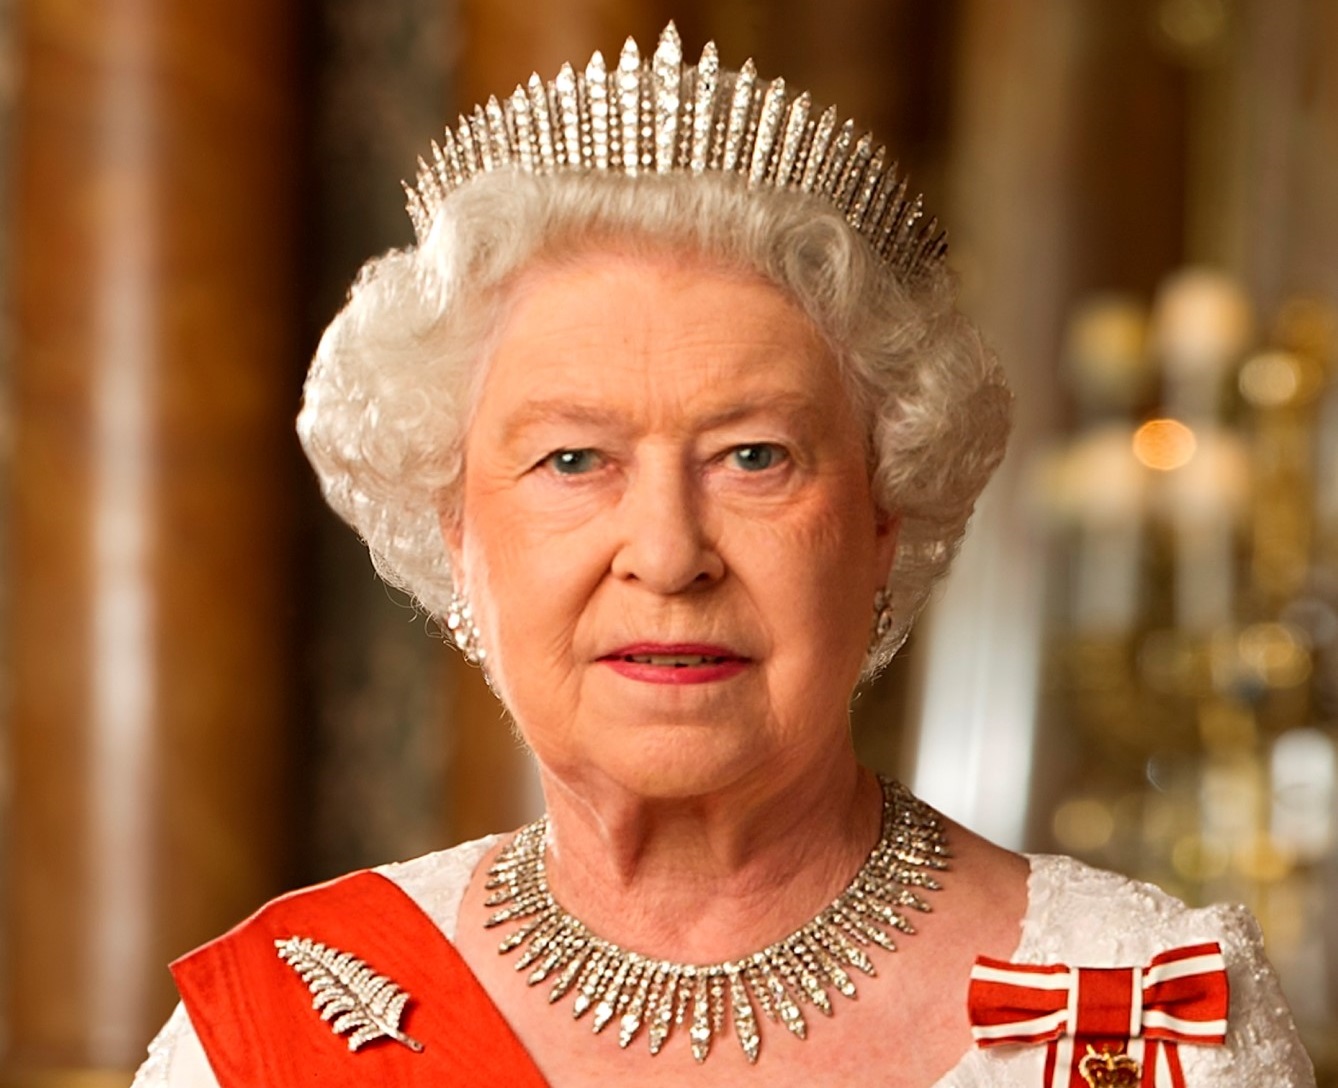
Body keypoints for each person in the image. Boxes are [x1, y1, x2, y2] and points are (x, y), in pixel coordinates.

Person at [132, 23, 1315, 1088]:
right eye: (573, 460)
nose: (666, 552)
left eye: (754, 457)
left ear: (885, 511)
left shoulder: (1153, 1013)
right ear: (455, 527)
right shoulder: (274, 1040)